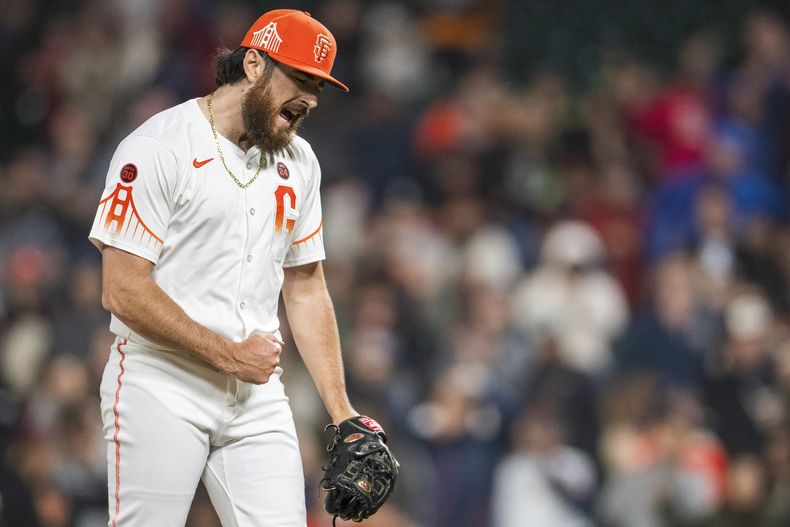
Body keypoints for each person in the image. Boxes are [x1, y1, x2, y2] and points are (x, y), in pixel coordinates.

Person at [88, 9, 369, 526]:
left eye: (320, 86)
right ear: (255, 65)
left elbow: (306, 287)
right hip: (160, 382)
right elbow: (121, 291)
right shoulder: (158, 147)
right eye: (301, 79)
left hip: (256, 398)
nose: (311, 98)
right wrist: (227, 354)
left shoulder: (301, 163)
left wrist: (342, 412)